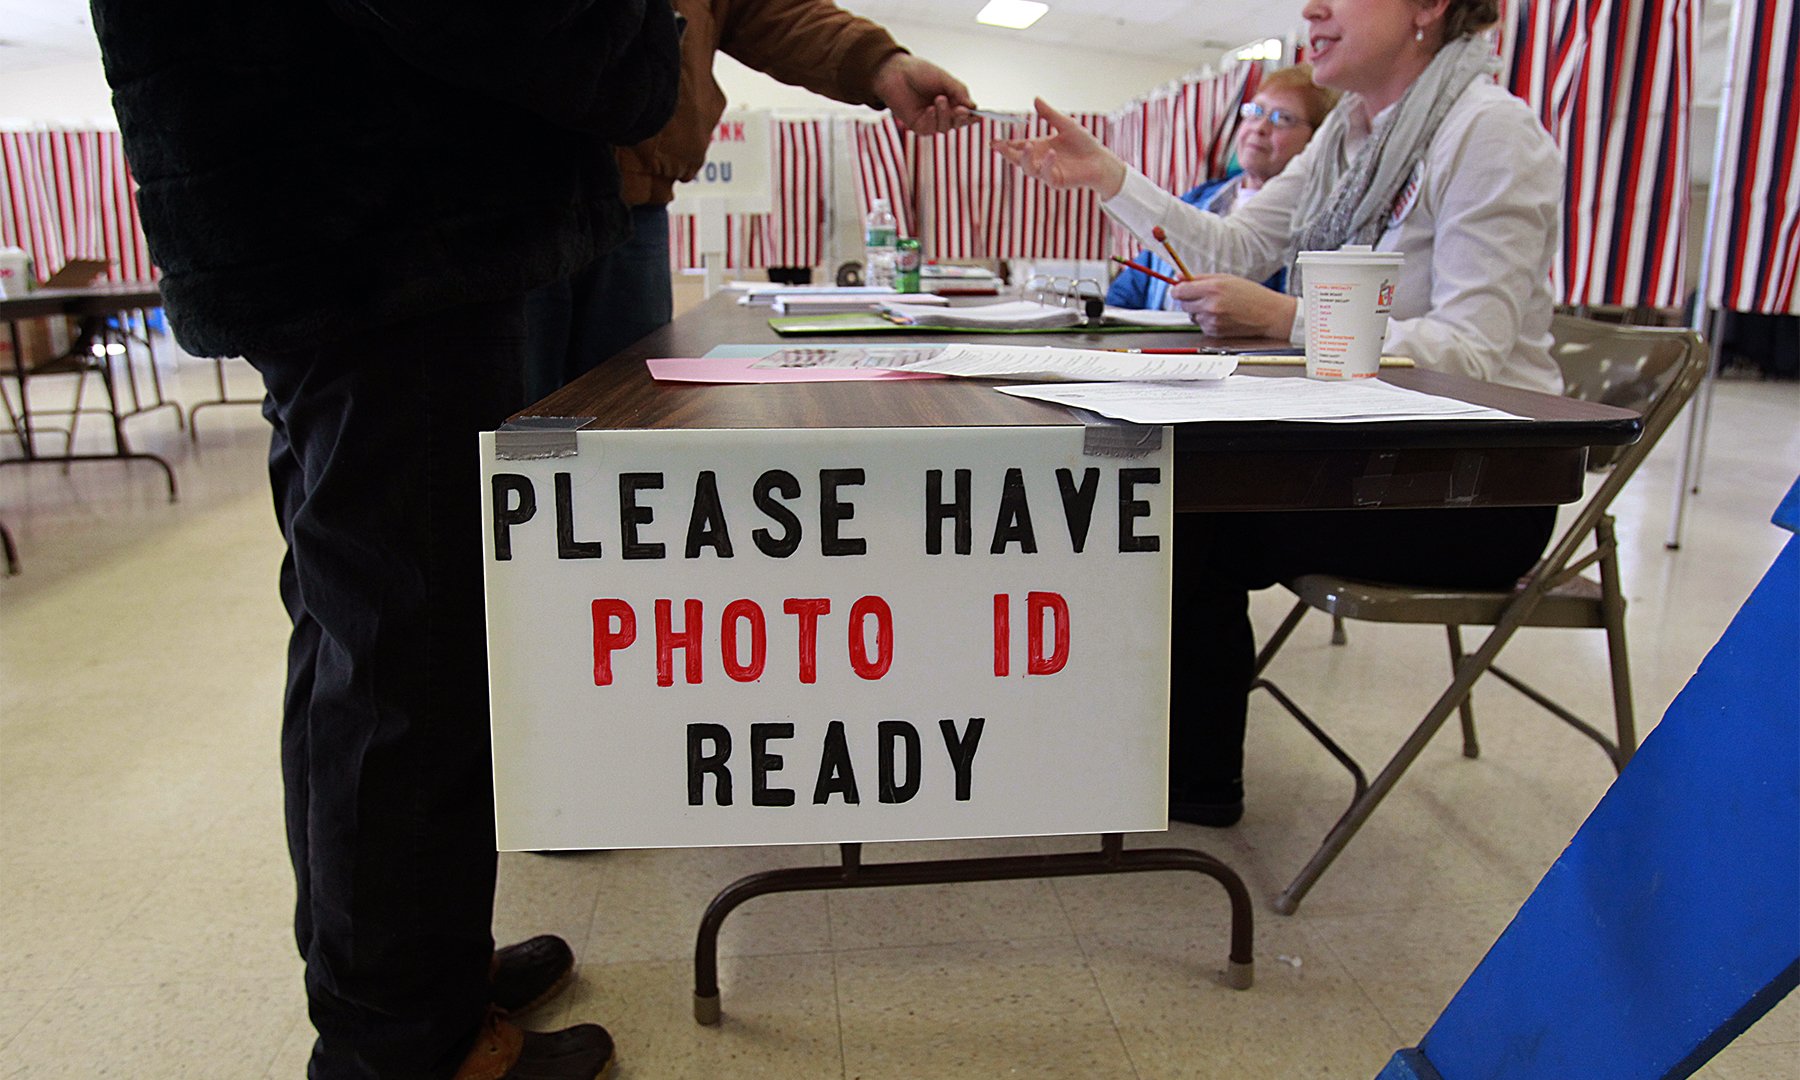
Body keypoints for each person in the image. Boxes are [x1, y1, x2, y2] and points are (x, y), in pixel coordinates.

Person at [92, 3, 681, 1078]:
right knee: (411, 654)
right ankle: (405, 1041)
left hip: (304, 202)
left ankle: (400, 970)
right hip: (387, 216)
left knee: (353, 632)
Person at [996, 0, 1565, 826]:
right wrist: (1109, 180)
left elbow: (1474, 356)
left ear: (1430, 8)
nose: (1312, 7)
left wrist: (1286, 318)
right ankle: (1153, 749)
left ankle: (1185, 782)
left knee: (1183, 508)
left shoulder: (1490, 134)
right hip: (1373, 446)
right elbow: (1231, 247)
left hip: (1477, 484)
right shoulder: (1349, 140)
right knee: (1159, 486)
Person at [524, 0, 979, 402]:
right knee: (503, 436)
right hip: (504, 193)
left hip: (634, 200)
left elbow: (768, 10)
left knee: (629, 420)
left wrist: (881, 65)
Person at [1106, 64, 1338, 310]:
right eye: (1255, 111)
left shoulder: (1311, 223)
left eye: (1282, 119)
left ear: (1317, 141)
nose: (1260, 127)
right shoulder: (1199, 197)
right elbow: (1136, 280)